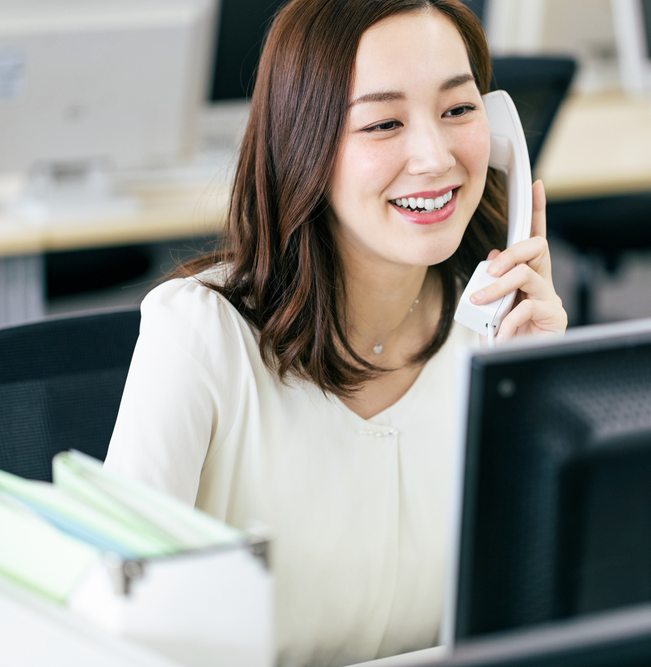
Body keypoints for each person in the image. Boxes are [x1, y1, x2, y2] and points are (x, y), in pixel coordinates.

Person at [104, 1, 567, 665]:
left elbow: (537, 619)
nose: (434, 157)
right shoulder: (199, 338)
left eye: (458, 110)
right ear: (305, 147)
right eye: (383, 122)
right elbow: (107, 637)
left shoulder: (496, 337)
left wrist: (535, 402)